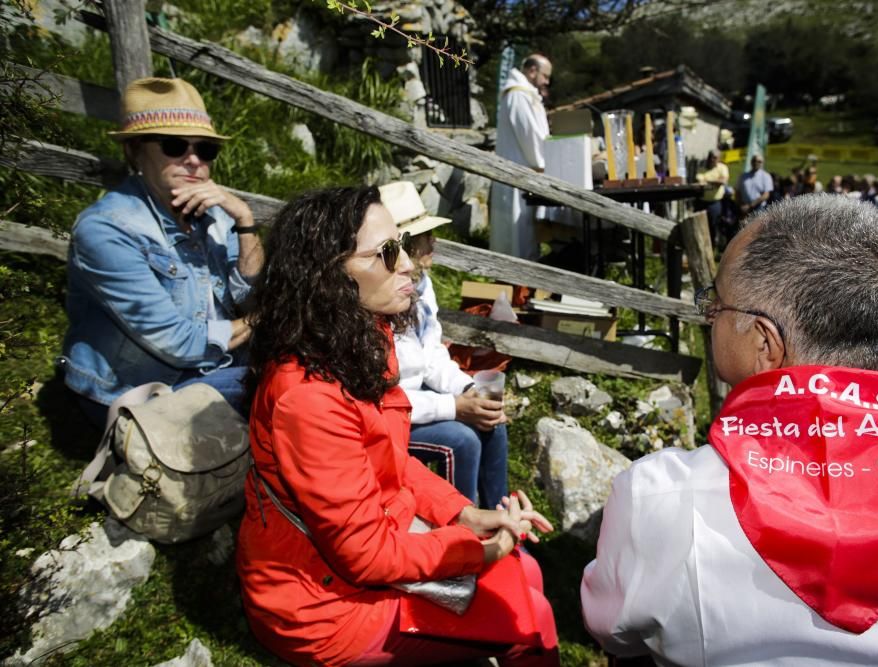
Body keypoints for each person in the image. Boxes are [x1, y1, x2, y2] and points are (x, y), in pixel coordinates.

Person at [582, 194, 878, 665]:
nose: (708, 315)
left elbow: (611, 628)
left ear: (764, 342)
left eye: (715, 303)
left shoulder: (661, 499)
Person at [237, 186, 559, 666]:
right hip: (325, 606)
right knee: (528, 618)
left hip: (359, 560)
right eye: (387, 252)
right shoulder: (308, 397)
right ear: (330, 276)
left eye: (403, 244)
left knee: (526, 574)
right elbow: (366, 556)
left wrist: (464, 516)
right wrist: (479, 553)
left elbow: (389, 458)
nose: (407, 263)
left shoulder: (361, 339)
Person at [58, 77, 262, 424]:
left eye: (206, 150)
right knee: (280, 387)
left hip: (218, 360)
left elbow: (252, 294)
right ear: (134, 150)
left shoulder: (215, 212)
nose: (194, 161)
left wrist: (244, 221)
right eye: (175, 146)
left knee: (312, 366)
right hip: (139, 386)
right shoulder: (107, 229)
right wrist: (270, 320)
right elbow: (179, 343)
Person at [379, 181, 509, 509]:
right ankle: (462, 540)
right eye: (425, 236)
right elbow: (380, 397)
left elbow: (433, 353)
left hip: (417, 399)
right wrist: (453, 407)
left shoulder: (422, 284)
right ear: (403, 246)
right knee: (460, 440)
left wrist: (468, 391)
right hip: (387, 415)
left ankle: (502, 522)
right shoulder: (376, 298)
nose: (433, 242)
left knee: (492, 421)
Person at [490, 53, 552, 260]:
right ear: (532, 70)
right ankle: (516, 285)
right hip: (517, 170)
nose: (547, 81)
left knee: (523, 234)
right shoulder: (517, 94)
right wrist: (547, 163)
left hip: (524, 170)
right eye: (545, 75)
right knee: (517, 236)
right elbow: (530, 136)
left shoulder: (525, 94)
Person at [694, 149, 729, 244]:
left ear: (719, 158)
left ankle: (713, 246)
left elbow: (722, 182)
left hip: (715, 203)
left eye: (715, 157)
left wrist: (707, 180)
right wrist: (715, 181)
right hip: (702, 202)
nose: (712, 159)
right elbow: (699, 182)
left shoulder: (722, 168)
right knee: (700, 225)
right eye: (711, 157)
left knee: (714, 226)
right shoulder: (701, 168)